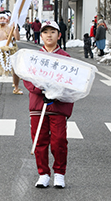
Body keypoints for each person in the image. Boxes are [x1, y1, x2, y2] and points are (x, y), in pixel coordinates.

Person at [23, 21, 74, 189]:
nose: (49, 35)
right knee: (39, 140)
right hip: (38, 105)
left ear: (59, 35)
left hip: (58, 107)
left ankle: (60, 173)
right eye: (45, 32)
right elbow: (28, 79)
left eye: (53, 32)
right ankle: (43, 174)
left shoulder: (66, 58)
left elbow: (71, 82)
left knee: (59, 140)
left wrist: (56, 92)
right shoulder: (35, 57)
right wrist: (40, 89)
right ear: (41, 35)